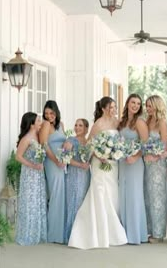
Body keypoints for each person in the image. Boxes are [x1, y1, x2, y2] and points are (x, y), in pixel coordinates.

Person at [68, 96, 127, 249]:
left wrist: (116, 152)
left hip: (113, 163)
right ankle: (98, 233)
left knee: (112, 192)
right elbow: (89, 146)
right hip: (99, 163)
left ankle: (111, 229)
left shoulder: (116, 123)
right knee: (100, 193)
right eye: (111, 107)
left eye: (115, 107)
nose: (113, 110)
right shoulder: (97, 125)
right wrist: (100, 155)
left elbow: (120, 141)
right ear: (103, 109)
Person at [118, 93, 149, 244]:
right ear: (127, 103)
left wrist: (135, 157)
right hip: (122, 162)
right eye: (133, 102)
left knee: (134, 195)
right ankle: (124, 232)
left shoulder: (140, 122)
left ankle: (136, 234)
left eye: (138, 103)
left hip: (135, 163)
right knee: (123, 195)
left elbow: (145, 145)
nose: (135, 105)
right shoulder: (122, 121)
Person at [15, 112, 47, 245]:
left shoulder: (38, 136)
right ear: (32, 124)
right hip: (29, 174)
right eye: (38, 121)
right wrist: (33, 165)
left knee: (37, 202)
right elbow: (18, 157)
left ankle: (37, 233)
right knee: (29, 203)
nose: (40, 123)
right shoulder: (27, 138)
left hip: (38, 175)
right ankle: (27, 234)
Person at [39, 100, 66, 244]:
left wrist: (65, 157)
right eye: (46, 113)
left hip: (63, 163)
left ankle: (61, 231)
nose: (49, 116)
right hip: (52, 163)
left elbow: (64, 144)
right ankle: (53, 233)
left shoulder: (61, 125)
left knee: (62, 195)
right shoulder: (45, 125)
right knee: (55, 194)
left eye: (51, 113)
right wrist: (56, 160)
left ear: (56, 112)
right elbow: (44, 146)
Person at [144, 95, 167, 243]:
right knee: (147, 196)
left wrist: (154, 157)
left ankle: (158, 233)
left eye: (150, 106)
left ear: (157, 106)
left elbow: (164, 145)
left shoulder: (162, 123)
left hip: (157, 165)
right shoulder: (147, 121)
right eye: (146, 106)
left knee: (157, 198)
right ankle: (150, 229)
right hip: (146, 163)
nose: (147, 109)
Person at [64, 118, 91, 243]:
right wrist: (80, 165)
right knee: (74, 202)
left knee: (83, 202)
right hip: (74, 174)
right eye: (76, 125)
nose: (77, 127)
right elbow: (65, 158)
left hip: (86, 175)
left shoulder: (89, 142)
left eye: (80, 125)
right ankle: (72, 235)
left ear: (86, 128)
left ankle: (82, 234)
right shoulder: (70, 140)